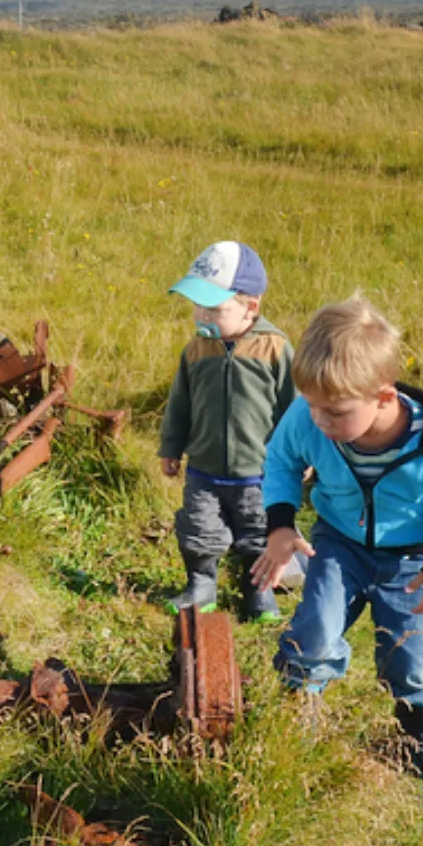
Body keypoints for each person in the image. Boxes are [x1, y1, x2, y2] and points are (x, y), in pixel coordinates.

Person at [249, 296, 423, 782]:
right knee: (313, 628)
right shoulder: (307, 417)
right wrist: (280, 524)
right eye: (312, 406)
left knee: (411, 656)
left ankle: (420, 733)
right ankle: (299, 717)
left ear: (383, 397)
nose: (319, 420)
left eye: (333, 412)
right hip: (339, 544)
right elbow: (282, 461)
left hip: (412, 559)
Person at [157, 241, 296, 622]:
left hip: (260, 472)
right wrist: (171, 446)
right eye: (197, 306)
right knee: (199, 530)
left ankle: (259, 591)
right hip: (203, 467)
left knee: (257, 533)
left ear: (251, 307)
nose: (202, 315)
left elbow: (295, 408)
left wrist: (302, 458)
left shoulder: (275, 348)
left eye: (215, 309)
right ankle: (202, 584)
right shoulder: (196, 350)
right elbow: (180, 403)